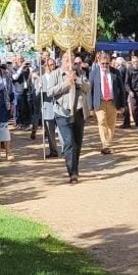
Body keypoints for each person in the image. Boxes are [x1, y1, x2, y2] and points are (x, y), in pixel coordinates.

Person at [44, 52, 89, 183]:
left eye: (71, 59)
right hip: (62, 112)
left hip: (78, 111)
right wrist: (66, 84)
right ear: (61, 60)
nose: (69, 61)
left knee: (77, 143)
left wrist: (77, 80)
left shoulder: (80, 72)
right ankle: (72, 172)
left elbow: (88, 87)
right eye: (66, 59)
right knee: (68, 142)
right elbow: (50, 91)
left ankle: (75, 166)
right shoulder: (55, 74)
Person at [88, 52, 124, 155]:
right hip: (100, 102)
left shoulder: (115, 72)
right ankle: (106, 145)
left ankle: (107, 143)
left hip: (112, 102)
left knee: (111, 124)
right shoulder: (94, 73)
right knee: (102, 122)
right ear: (99, 62)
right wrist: (90, 107)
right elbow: (90, 90)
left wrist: (122, 105)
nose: (105, 65)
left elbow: (121, 89)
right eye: (103, 63)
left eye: (107, 63)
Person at [35, 57, 61, 157]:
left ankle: (65, 149)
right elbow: (36, 97)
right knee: (50, 133)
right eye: (50, 65)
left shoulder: (58, 76)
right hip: (47, 108)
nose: (53, 67)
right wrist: (39, 88)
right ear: (45, 66)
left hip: (59, 107)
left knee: (62, 131)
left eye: (54, 64)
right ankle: (53, 151)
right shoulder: (41, 79)